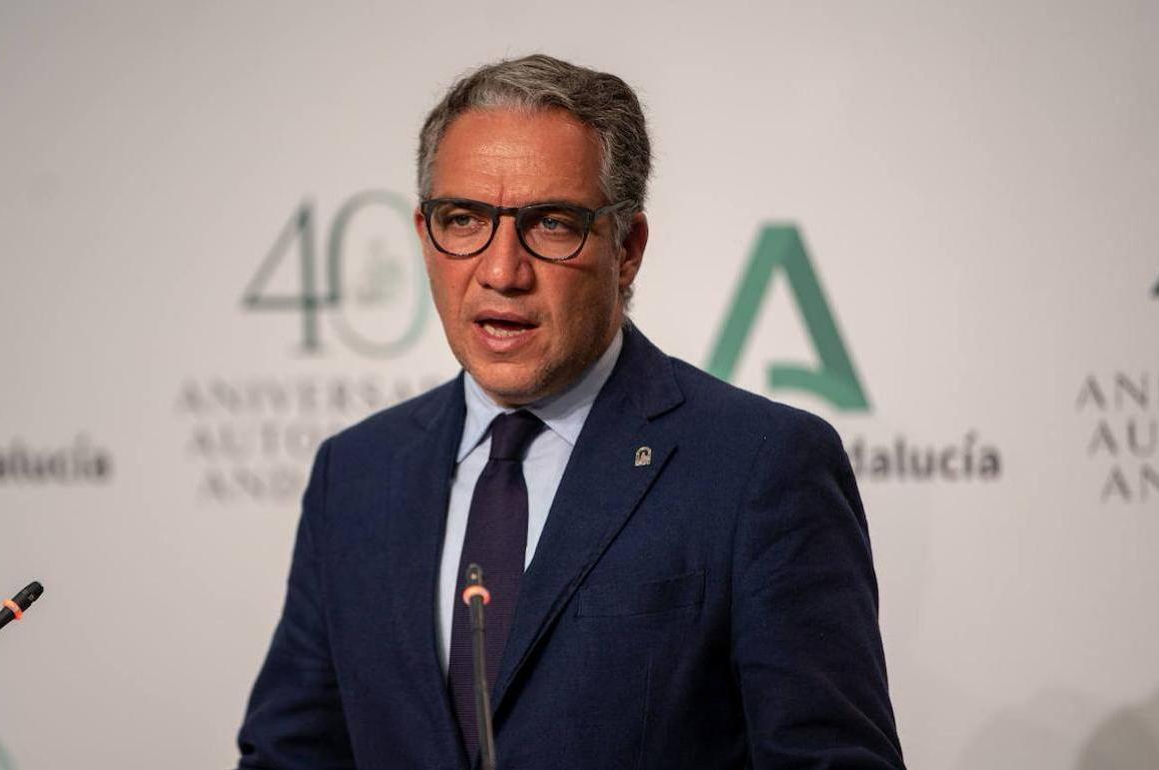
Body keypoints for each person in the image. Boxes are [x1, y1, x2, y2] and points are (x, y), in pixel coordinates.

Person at [236, 54, 905, 769]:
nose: (502, 271)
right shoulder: (356, 473)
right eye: (463, 219)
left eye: (552, 224)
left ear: (627, 249)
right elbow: (290, 756)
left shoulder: (759, 466)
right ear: (425, 235)